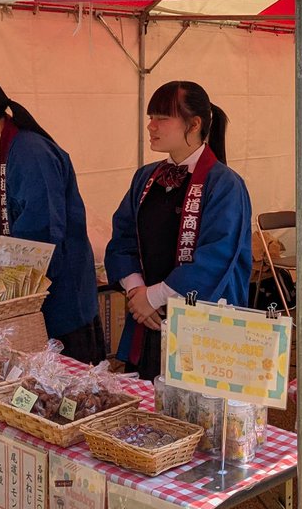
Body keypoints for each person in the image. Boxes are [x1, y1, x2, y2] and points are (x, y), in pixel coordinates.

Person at [0, 69, 103, 364]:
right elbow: (7, 195)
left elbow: (42, 227)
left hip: (57, 287)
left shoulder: (31, 151)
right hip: (32, 280)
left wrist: (6, 283)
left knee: (65, 378)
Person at [104, 81, 252, 381]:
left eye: (161, 117)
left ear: (194, 124)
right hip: (149, 321)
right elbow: (122, 239)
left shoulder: (225, 184)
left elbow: (216, 258)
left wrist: (154, 297)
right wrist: (137, 293)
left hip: (203, 326)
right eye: (150, 117)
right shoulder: (145, 178)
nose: (151, 126)